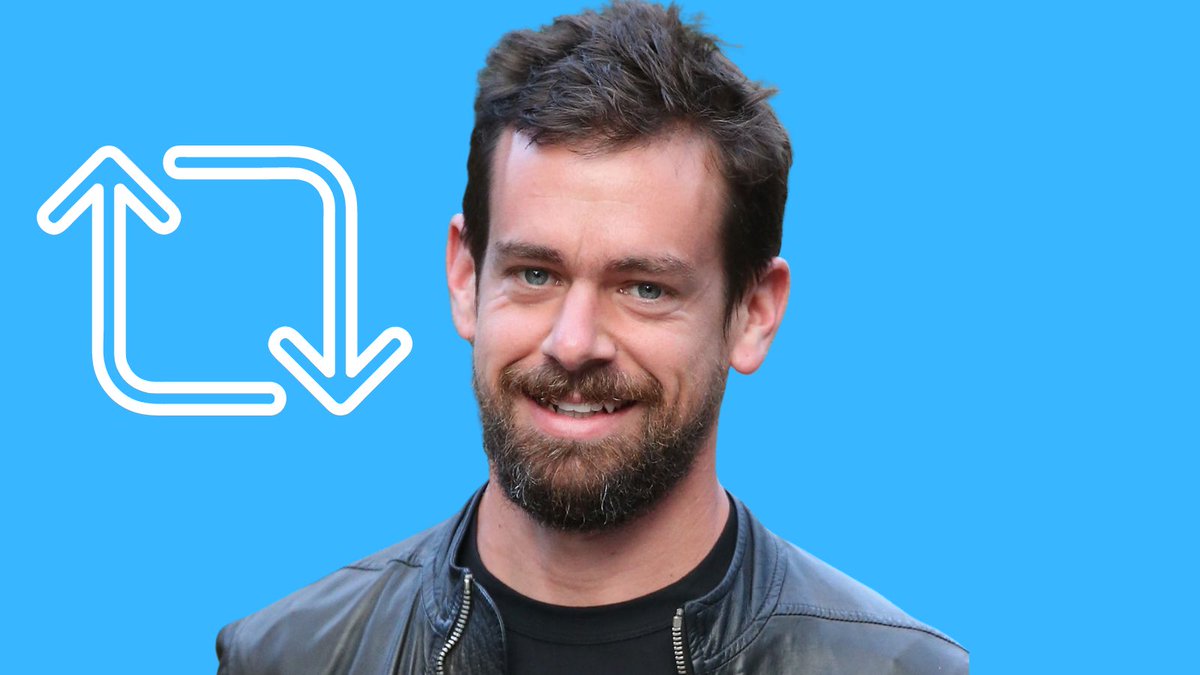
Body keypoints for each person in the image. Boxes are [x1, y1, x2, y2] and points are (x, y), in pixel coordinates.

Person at [215, 2, 968, 673]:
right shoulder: (290, 659)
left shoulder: (895, 670)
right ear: (465, 278)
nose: (573, 343)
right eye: (535, 274)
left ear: (754, 313)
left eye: (645, 288)